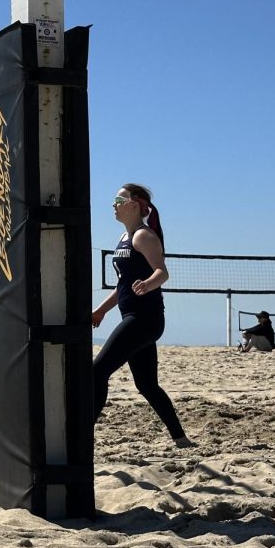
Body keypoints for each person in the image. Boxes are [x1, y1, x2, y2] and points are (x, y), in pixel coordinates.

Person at [91, 184, 193, 448]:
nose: (113, 205)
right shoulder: (125, 238)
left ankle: (82, 433)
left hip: (145, 319)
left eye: (118, 200)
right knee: (147, 385)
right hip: (135, 318)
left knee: (96, 372)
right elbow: (122, 286)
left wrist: (148, 283)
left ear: (134, 205)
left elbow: (162, 272)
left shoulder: (143, 236)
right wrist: (101, 310)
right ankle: (180, 439)